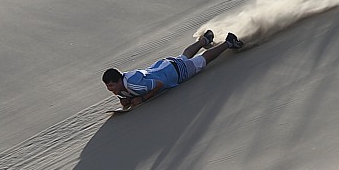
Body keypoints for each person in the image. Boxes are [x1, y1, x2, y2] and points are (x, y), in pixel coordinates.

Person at [102, 30, 245, 110]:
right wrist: (126, 99)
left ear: (119, 80)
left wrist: (143, 98)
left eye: (111, 85)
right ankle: (205, 40)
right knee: (183, 57)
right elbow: (128, 92)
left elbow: (159, 84)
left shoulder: (133, 83)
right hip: (164, 66)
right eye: (108, 86)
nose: (110, 89)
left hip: (175, 73)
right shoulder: (122, 86)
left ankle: (228, 42)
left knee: (201, 61)